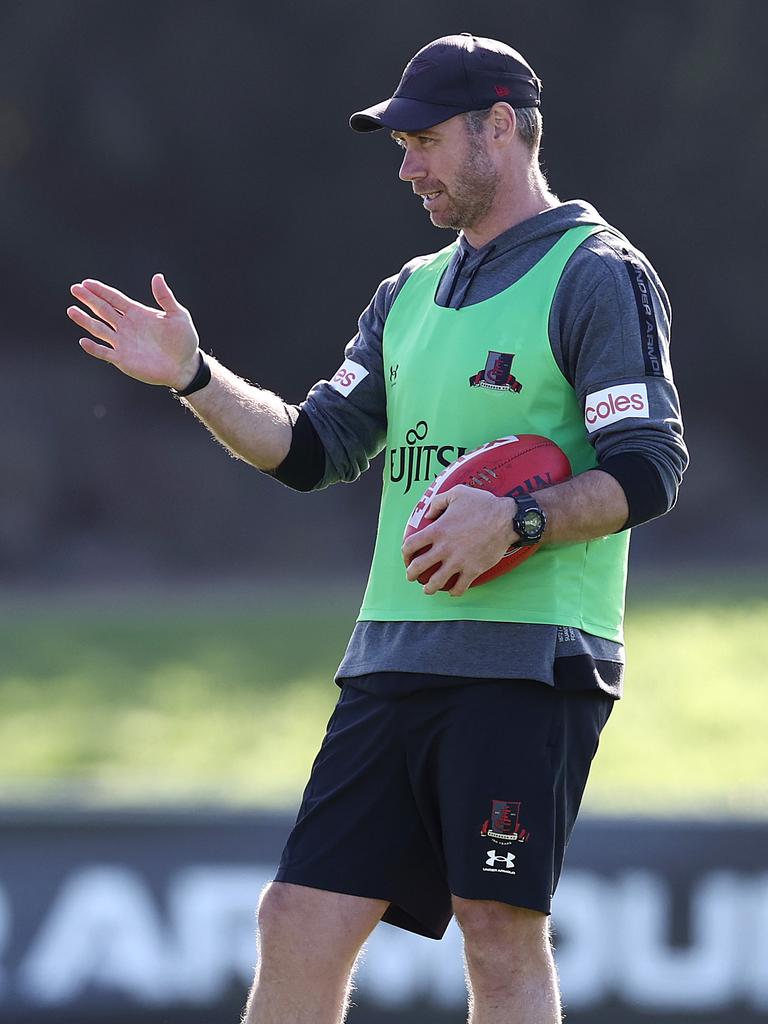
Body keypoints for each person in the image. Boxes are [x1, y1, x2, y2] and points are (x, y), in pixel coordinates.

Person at [67, 33, 688, 1024]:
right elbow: (310, 448)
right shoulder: (405, 294)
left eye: (424, 140)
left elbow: (649, 467)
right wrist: (193, 374)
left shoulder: (596, 272)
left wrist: (519, 518)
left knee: (498, 927)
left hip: (528, 663)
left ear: (500, 129)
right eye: (399, 144)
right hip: (391, 658)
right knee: (296, 916)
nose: (406, 166)